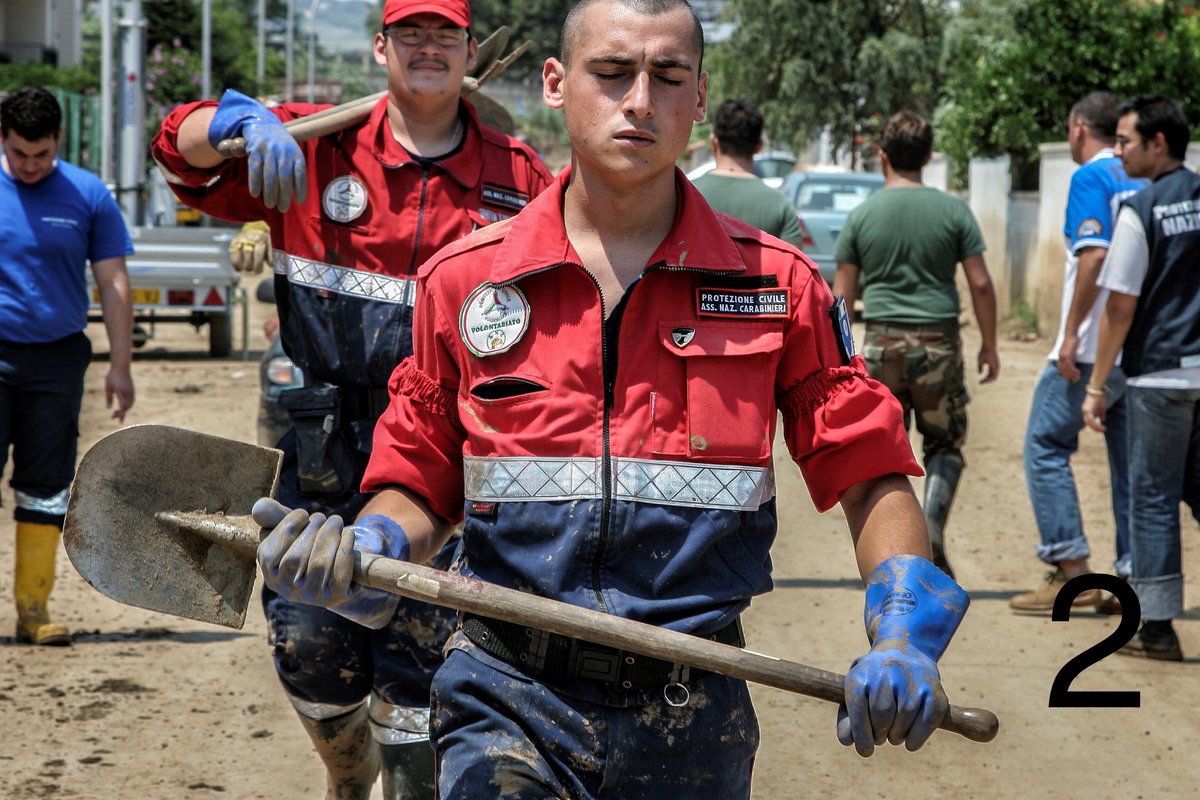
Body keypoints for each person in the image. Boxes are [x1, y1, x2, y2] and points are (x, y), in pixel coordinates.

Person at [250, 0, 971, 796]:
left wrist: (902, 626)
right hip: (503, 695)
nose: (639, 101)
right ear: (557, 83)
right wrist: (374, 546)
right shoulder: (464, 280)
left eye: (667, 78)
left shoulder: (777, 287)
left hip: (691, 708)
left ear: (699, 98)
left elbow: (871, 472)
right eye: (612, 72)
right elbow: (422, 473)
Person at [151, 0, 553, 796]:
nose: (428, 48)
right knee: (309, 647)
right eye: (411, 33)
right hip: (324, 451)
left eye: (445, 34)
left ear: (470, 50)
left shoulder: (522, 176)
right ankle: (346, 769)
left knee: (431, 667)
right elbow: (180, 158)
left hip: (454, 455)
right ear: (381, 47)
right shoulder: (307, 148)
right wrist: (236, 120)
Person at [832, 110, 999, 580]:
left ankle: (899, 553)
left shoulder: (863, 215)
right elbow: (981, 284)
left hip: (884, 346)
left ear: (882, 156)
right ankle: (934, 528)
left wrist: (841, 363)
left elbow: (841, 298)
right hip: (939, 345)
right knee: (945, 444)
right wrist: (990, 345)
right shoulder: (953, 211)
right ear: (928, 157)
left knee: (886, 449)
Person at [0, 86, 135, 646]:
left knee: (46, 486)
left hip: (57, 361)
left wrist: (120, 366)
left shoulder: (87, 194)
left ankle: (34, 608)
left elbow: (113, 282)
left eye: (41, 155)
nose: (30, 166)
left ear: (58, 141)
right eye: (17, 155)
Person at [1010, 92, 1146, 615]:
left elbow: (1094, 255)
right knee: (1131, 466)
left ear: (1077, 128)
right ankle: (1135, 578)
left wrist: (1069, 333)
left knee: (1044, 445)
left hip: (1088, 348)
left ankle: (1074, 572)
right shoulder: (1145, 176)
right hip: (1137, 349)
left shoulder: (1091, 177)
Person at [1083, 95, 1200, 662]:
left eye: (1126, 140)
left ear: (1159, 143)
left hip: (1158, 377)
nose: (1118, 149)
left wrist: (1097, 383)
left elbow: (1119, 307)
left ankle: (1156, 630)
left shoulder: (1141, 208)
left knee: (1152, 498)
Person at [691, 98, 804, 245]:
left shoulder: (683, 196)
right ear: (759, 146)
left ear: (714, 142)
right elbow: (795, 264)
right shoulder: (780, 206)